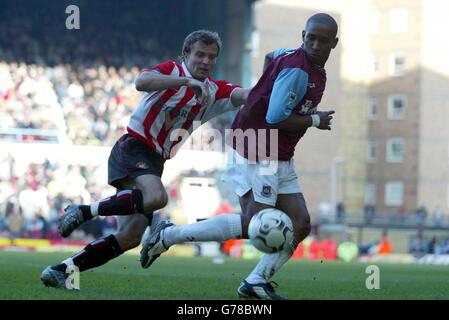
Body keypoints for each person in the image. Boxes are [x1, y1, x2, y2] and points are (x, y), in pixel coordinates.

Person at [140, 13, 338, 299]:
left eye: (323, 40)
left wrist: (266, 86)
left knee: (300, 224)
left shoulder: (292, 57)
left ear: (334, 43)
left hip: (279, 151)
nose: (315, 45)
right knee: (253, 224)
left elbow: (271, 57)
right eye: (311, 38)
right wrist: (315, 121)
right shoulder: (298, 69)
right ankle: (168, 235)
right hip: (257, 144)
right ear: (303, 35)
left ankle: (256, 281)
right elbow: (275, 117)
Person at [40, 30, 250, 288]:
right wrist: (184, 83)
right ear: (186, 54)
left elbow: (245, 95)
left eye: (211, 57)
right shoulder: (172, 72)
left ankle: (62, 270)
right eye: (199, 54)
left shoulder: (214, 91)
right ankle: (84, 211)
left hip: (154, 162)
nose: (205, 61)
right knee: (157, 197)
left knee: (130, 236)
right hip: (134, 147)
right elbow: (141, 81)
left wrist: (272, 85)